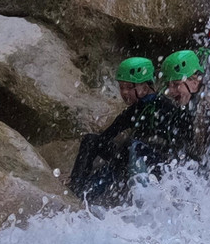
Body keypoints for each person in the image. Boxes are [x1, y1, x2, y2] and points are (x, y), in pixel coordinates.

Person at [67, 57, 190, 202]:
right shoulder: (133, 111)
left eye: (130, 87)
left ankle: (91, 192)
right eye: (121, 87)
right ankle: (76, 187)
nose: (124, 93)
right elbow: (107, 135)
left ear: (145, 87)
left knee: (130, 147)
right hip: (132, 157)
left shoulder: (165, 107)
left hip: (156, 164)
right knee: (91, 141)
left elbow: (180, 143)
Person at [161, 49, 210, 161]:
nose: (170, 91)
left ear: (195, 83)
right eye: (168, 85)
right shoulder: (184, 104)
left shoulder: (209, 105)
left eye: (176, 84)